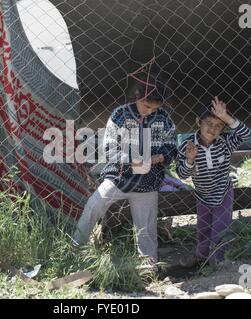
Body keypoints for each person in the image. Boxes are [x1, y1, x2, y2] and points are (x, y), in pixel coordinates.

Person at [72, 72, 177, 263]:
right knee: (94, 206)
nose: (150, 111)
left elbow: (171, 145)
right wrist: (136, 161)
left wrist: (163, 156)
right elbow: (110, 148)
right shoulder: (120, 115)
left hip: (148, 181)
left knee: (146, 227)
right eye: (147, 106)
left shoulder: (164, 118)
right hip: (119, 178)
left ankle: (149, 264)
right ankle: (75, 251)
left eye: (154, 108)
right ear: (137, 96)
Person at [176, 97, 251, 266]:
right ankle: (201, 256)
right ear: (198, 121)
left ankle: (218, 261)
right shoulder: (187, 146)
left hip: (223, 191)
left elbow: (246, 134)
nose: (213, 129)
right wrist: (190, 160)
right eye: (209, 123)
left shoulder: (225, 142)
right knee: (203, 228)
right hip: (202, 194)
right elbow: (182, 174)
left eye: (219, 125)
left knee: (220, 228)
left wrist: (226, 118)